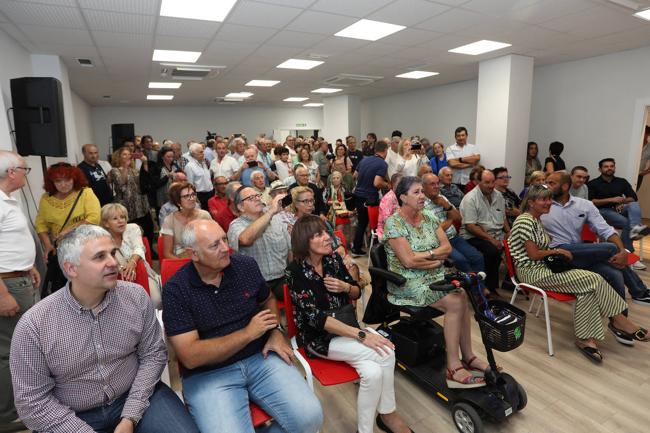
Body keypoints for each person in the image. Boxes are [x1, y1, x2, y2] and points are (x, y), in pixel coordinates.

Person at [10, 225, 199, 433]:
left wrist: (130, 417)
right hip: (71, 414)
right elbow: (32, 401)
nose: (114, 263)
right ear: (71, 268)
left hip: (137, 396)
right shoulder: (35, 325)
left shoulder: (135, 297)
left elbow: (153, 355)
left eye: (113, 253)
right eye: (100, 257)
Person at [162, 219, 323, 433]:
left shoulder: (244, 266)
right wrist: (248, 333)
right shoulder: (176, 290)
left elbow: (268, 300)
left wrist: (275, 331)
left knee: (311, 418)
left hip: (260, 357)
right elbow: (190, 356)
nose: (225, 248)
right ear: (193, 254)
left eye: (224, 239)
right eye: (214, 245)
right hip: (209, 375)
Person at [286, 215, 412, 433]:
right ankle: (388, 415)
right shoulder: (295, 272)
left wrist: (345, 287)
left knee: (372, 373)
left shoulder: (332, 259)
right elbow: (317, 319)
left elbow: (356, 291)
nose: (328, 237)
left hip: (347, 329)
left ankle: (365, 430)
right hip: (319, 339)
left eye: (326, 232)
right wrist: (362, 335)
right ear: (304, 242)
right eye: (319, 234)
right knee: (386, 352)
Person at [508, 186, 648, 362]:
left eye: (549, 198)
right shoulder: (525, 221)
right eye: (543, 199)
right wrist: (557, 251)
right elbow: (534, 255)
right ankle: (619, 320)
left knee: (587, 289)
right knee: (594, 278)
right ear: (530, 202)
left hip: (544, 268)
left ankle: (585, 339)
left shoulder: (536, 221)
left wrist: (554, 250)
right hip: (532, 272)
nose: (549, 202)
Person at [383, 176, 491, 387]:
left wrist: (426, 256)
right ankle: (453, 368)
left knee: (462, 294)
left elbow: (447, 248)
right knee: (455, 301)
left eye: (422, 191)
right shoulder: (393, 223)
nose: (423, 196)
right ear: (403, 197)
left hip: (433, 275)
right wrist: (434, 259)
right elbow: (407, 261)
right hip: (407, 283)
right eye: (416, 192)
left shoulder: (430, 217)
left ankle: (468, 355)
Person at [543, 172, 650, 310]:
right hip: (556, 253)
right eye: (546, 182)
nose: (546, 186)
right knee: (611, 248)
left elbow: (605, 230)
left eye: (551, 183)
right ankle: (639, 292)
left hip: (578, 251)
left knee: (615, 273)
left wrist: (622, 251)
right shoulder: (542, 204)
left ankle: (620, 320)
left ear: (564, 186)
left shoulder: (584, 205)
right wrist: (621, 250)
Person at [0, 151, 40, 432]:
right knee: (8, 351)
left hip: (19, 279)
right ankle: (8, 414)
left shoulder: (9, 201)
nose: (27, 172)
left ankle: (20, 404)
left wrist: (28, 267)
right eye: (24, 168)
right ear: (11, 172)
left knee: (21, 346)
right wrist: (2, 294)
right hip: (7, 286)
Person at [36, 163, 101, 296]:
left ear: (74, 178)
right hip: (60, 251)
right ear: (52, 182)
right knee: (60, 288)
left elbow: (94, 217)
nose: (63, 184)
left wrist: (69, 230)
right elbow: (40, 224)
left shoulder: (85, 193)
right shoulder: (46, 199)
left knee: (86, 286)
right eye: (58, 181)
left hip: (85, 248)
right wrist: (48, 245)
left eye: (67, 179)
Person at [227, 186, 291, 300]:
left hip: (282, 278)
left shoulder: (276, 219)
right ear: (241, 207)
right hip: (254, 283)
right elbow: (245, 239)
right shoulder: (235, 225)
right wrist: (271, 211)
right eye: (251, 198)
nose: (257, 199)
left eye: (258, 196)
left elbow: (290, 250)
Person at [101, 203, 162, 309]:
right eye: (115, 218)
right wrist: (120, 269)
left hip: (142, 271)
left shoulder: (133, 228)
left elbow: (139, 247)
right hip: (117, 277)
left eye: (123, 217)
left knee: (156, 301)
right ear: (106, 223)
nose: (121, 221)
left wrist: (132, 263)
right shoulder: (101, 237)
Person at [459, 170, 510, 296]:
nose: (491, 185)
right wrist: (492, 240)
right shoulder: (470, 198)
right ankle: (485, 287)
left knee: (517, 244)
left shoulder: (498, 195)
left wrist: (509, 232)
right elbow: (471, 226)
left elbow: (503, 218)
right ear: (478, 182)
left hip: (496, 234)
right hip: (473, 236)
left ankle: (510, 284)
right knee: (492, 250)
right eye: (487, 182)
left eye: (493, 182)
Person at [422, 173, 484, 274]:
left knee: (477, 257)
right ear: (423, 187)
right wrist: (450, 219)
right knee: (461, 260)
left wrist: (447, 206)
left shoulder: (442, 198)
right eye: (432, 184)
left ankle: (479, 286)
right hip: (439, 242)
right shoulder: (421, 204)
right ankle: (474, 286)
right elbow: (436, 231)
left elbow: (459, 218)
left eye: (438, 183)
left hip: (454, 238)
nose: (437, 186)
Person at [588, 158, 650, 256]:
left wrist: (622, 201)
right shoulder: (593, 183)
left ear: (615, 168)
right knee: (626, 222)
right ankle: (628, 252)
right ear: (600, 169)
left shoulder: (621, 181)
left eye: (612, 166)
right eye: (606, 166)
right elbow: (590, 202)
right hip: (602, 211)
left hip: (618, 209)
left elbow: (633, 197)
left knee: (633, 205)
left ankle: (635, 228)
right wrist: (611, 199)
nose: (609, 168)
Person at [108, 147, 155, 252]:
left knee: (149, 230)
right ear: (118, 157)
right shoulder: (114, 171)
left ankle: (149, 251)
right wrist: (124, 167)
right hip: (127, 207)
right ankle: (133, 252)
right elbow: (122, 186)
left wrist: (145, 164)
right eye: (124, 154)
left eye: (129, 154)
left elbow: (145, 182)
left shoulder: (135, 170)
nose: (128, 156)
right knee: (130, 234)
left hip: (141, 206)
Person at [352, 140, 389, 257]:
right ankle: (376, 251)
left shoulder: (364, 160)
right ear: (385, 151)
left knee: (361, 223)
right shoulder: (382, 164)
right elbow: (377, 183)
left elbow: (354, 176)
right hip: (370, 198)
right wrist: (387, 185)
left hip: (358, 195)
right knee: (375, 225)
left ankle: (356, 248)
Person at [160, 182, 212, 259]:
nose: (192, 198)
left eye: (193, 194)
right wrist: (186, 265)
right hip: (180, 260)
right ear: (178, 201)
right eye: (186, 196)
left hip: (204, 258)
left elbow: (213, 240)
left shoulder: (204, 215)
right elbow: (167, 253)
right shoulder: (170, 220)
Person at [184, 142, 214, 211]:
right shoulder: (190, 166)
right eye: (201, 152)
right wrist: (195, 199)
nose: (203, 154)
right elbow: (190, 185)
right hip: (200, 196)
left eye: (203, 152)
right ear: (193, 154)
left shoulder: (203, 163)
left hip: (210, 194)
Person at [325, 171, 353, 243]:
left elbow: (349, 202)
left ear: (341, 179)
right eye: (334, 178)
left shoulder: (345, 189)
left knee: (345, 223)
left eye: (337, 178)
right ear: (331, 180)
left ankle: (342, 242)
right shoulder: (329, 190)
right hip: (333, 212)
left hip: (345, 211)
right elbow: (325, 201)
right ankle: (338, 242)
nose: (335, 179)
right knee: (339, 224)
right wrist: (331, 202)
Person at [377, 173, 403, 241]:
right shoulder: (388, 198)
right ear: (392, 185)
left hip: (398, 226)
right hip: (386, 230)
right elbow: (387, 221)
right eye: (399, 185)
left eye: (402, 185)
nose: (401, 187)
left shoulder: (400, 196)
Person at [637, 125, 650, 191]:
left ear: (648, 134)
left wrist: (644, 172)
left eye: (645, 133)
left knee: (632, 195)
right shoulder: (634, 143)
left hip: (639, 175)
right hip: (627, 171)